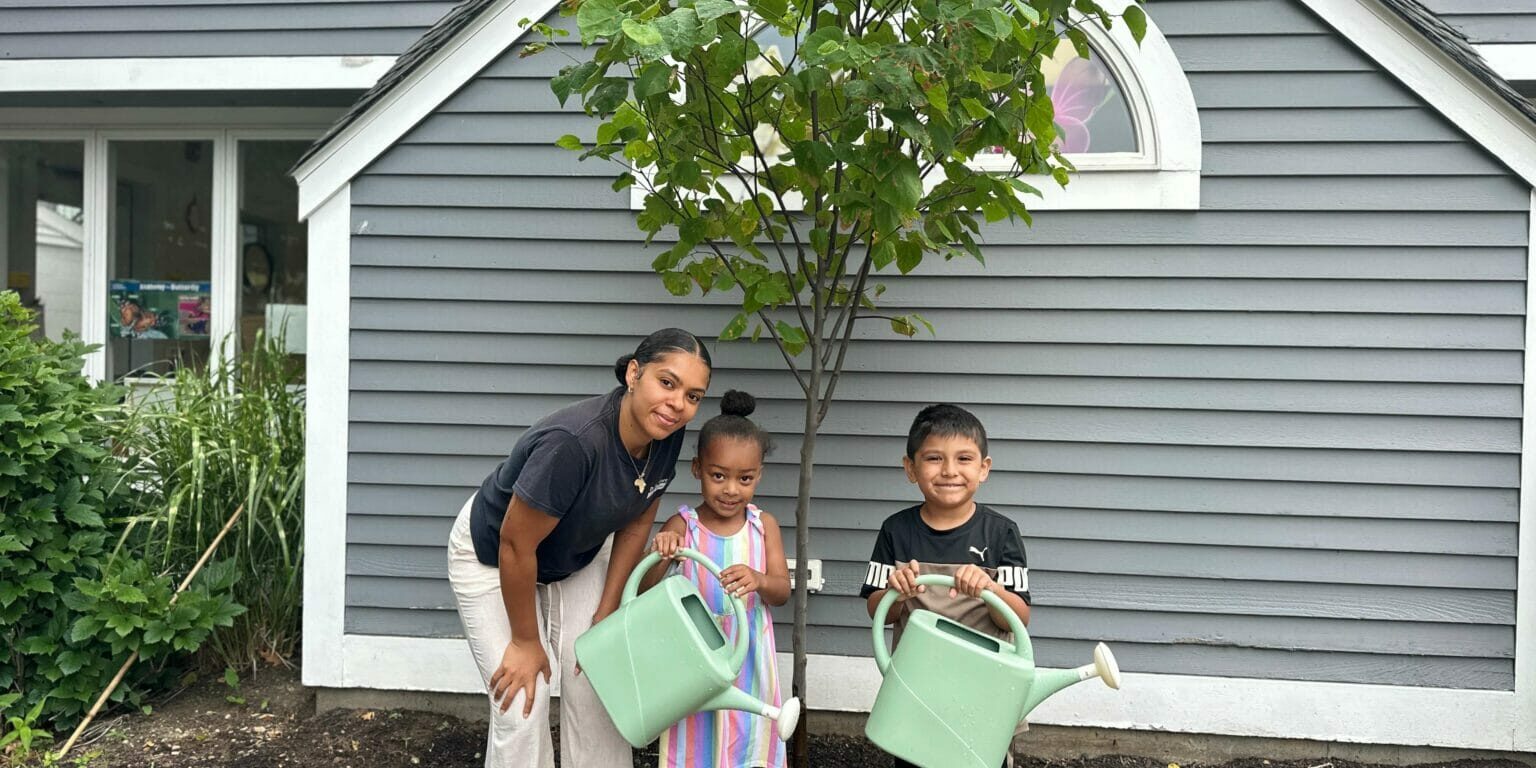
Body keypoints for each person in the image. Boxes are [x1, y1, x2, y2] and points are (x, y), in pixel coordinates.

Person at [446, 328, 713, 768]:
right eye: (667, 383)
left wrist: (607, 611)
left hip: (572, 554)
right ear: (634, 373)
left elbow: (637, 520)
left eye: (693, 396)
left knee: (599, 678)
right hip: (496, 555)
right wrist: (526, 641)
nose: (677, 404)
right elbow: (516, 544)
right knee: (523, 699)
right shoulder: (573, 443)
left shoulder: (665, 432)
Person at [860, 404, 1032, 768]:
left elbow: (1018, 619)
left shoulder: (1001, 533)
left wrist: (991, 591)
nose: (950, 470)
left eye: (964, 458)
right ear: (911, 468)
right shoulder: (896, 531)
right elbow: (878, 612)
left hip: (983, 690)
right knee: (914, 758)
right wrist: (896, 592)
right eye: (934, 458)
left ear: (984, 468)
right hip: (918, 689)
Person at [639, 390, 790, 768]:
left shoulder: (764, 526)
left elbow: (782, 591)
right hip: (696, 656)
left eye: (745, 478)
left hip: (749, 655)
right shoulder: (683, 525)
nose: (731, 489)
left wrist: (759, 579)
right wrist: (662, 553)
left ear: (759, 475)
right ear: (697, 469)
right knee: (696, 740)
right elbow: (644, 588)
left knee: (749, 738)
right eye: (718, 475)